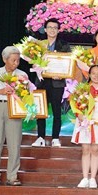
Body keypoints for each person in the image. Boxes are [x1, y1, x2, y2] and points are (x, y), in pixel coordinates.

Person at [0, 46, 27, 186]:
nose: (16, 63)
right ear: (4, 59)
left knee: (14, 144)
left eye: (17, 60)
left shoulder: (22, 74)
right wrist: (1, 90)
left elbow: (27, 95)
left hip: (15, 108)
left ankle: (12, 176)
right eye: (13, 60)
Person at [71, 65, 98, 188]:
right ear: (89, 75)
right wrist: (79, 115)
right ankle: (84, 178)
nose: (96, 76)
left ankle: (93, 178)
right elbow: (76, 104)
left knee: (95, 149)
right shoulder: (82, 89)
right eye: (93, 73)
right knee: (85, 149)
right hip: (85, 123)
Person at [32, 18, 71, 148]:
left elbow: (69, 63)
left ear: (58, 30)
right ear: (45, 29)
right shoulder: (39, 45)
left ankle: (55, 138)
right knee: (40, 111)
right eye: (50, 27)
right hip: (42, 82)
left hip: (57, 83)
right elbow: (33, 62)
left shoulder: (64, 45)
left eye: (55, 27)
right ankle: (40, 137)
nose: (52, 30)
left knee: (56, 112)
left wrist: (62, 74)